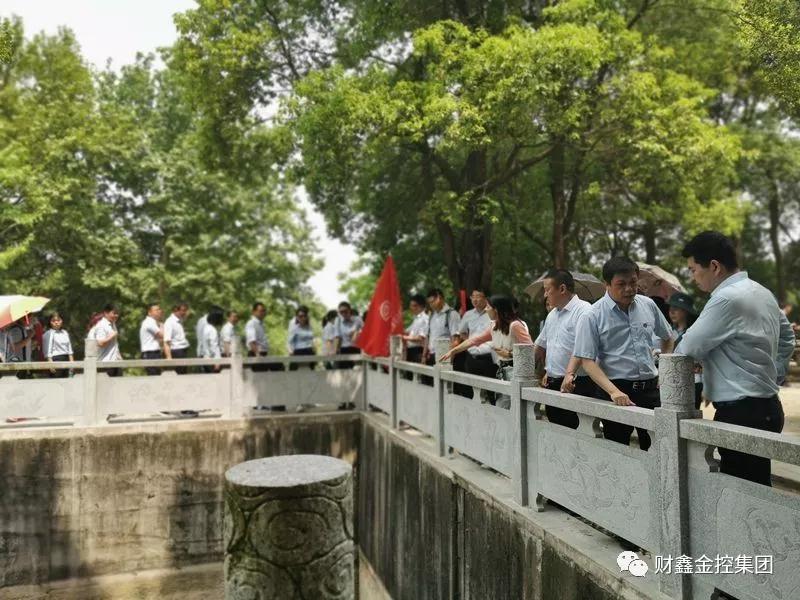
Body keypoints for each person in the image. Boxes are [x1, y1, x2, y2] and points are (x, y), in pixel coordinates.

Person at [677, 231, 795, 486]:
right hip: (769, 407)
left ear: (714, 266)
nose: (692, 277)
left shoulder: (725, 299)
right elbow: (786, 338)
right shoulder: (762, 292)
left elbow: (686, 349)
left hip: (741, 413)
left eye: (693, 269)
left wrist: (702, 357)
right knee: (756, 486)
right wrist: (773, 373)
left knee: (743, 493)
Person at [573, 257, 674, 450]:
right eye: (621, 284)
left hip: (650, 389)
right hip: (616, 389)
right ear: (607, 284)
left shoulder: (648, 305)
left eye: (633, 283)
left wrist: (665, 370)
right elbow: (587, 361)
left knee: (658, 447)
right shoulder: (592, 315)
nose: (629, 289)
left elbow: (668, 337)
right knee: (617, 447)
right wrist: (613, 392)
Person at [440, 295, 532, 409]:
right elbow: (475, 340)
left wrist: (509, 354)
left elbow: (529, 349)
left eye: (488, 307)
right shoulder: (494, 325)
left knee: (509, 408)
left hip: (517, 374)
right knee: (502, 407)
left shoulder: (515, 325)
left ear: (496, 310)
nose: (485, 309)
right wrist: (454, 351)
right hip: (502, 372)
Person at [534, 269, 594, 429]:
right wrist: (523, 368)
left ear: (562, 289)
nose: (545, 295)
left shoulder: (584, 311)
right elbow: (540, 346)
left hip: (575, 383)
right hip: (552, 383)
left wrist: (569, 374)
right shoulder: (552, 314)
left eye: (547, 290)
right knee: (556, 430)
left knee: (575, 433)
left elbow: (583, 348)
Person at [456, 288, 495, 398]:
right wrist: (470, 342)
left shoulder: (492, 313)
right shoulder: (468, 314)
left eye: (478, 296)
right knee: (472, 391)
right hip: (472, 357)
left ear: (486, 299)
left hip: (488, 357)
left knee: (492, 391)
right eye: (473, 297)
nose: (475, 299)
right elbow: (461, 332)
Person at [667, 292, 703, 409]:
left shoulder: (695, 333)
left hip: (693, 381)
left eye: (676, 308)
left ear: (686, 311)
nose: (672, 312)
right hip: (671, 381)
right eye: (670, 308)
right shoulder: (666, 331)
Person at [423, 289, 461, 366]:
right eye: (429, 303)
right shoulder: (432, 315)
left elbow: (456, 339)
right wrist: (424, 355)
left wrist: (449, 359)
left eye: (433, 301)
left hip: (445, 355)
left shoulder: (451, 314)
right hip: (431, 355)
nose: (431, 305)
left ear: (440, 298)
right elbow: (428, 336)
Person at [89, 304, 123, 376]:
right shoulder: (101, 325)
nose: (116, 315)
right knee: (106, 387)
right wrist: (111, 336)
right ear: (106, 313)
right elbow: (100, 343)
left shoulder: (113, 324)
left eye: (117, 313)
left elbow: (114, 345)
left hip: (116, 362)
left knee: (120, 386)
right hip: (105, 363)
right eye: (114, 313)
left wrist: (120, 357)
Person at [42, 312, 74, 378]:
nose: (56, 322)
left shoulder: (65, 332)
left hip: (66, 359)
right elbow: (47, 351)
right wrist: (50, 364)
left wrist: (72, 363)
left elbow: (69, 350)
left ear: (62, 321)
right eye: (53, 320)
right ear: (50, 322)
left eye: (58, 320)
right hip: (55, 360)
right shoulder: (49, 333)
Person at [334, 301, 363, 369]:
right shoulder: (337, 320)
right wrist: (334, 352)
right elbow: (337, 336)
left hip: (356, 349)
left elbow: (366, 331)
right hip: (344, 349)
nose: (343, 314)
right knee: (345, 372)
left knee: (357, 371)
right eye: (341, 312)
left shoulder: (357, 319)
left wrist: (357, 333)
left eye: (345, 311)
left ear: (350, 310)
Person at [163, 303, 191, 374]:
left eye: (185, 310)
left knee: (184, 373)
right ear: (176, 310)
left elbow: (186, 316)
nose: (184, 313)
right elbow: (166, 341)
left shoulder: (179, 320)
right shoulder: (170, 322)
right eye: (183, 310)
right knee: (180, 374)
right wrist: (169, 358)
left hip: (182, 351)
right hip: (176, 351)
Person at [139, 303, 164, 376]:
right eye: (156, 310)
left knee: (156, 376)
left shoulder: (153, 322)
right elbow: (162, 335)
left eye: (159, 309)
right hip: (150, 354)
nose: (159, 311)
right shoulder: (149, 322)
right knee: (154, 377)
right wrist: (162, 325)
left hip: (154, 353)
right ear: (149, 313)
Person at [288, 306, 315, 370]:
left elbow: (311, 339)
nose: (302, 318)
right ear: (297, 317)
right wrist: (290, 352)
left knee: (310, 375)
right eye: (300, 316)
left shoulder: (309, 327)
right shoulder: (294, 328)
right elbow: (289, 342)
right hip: (299, 352)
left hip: (309, 352)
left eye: (304, 316)